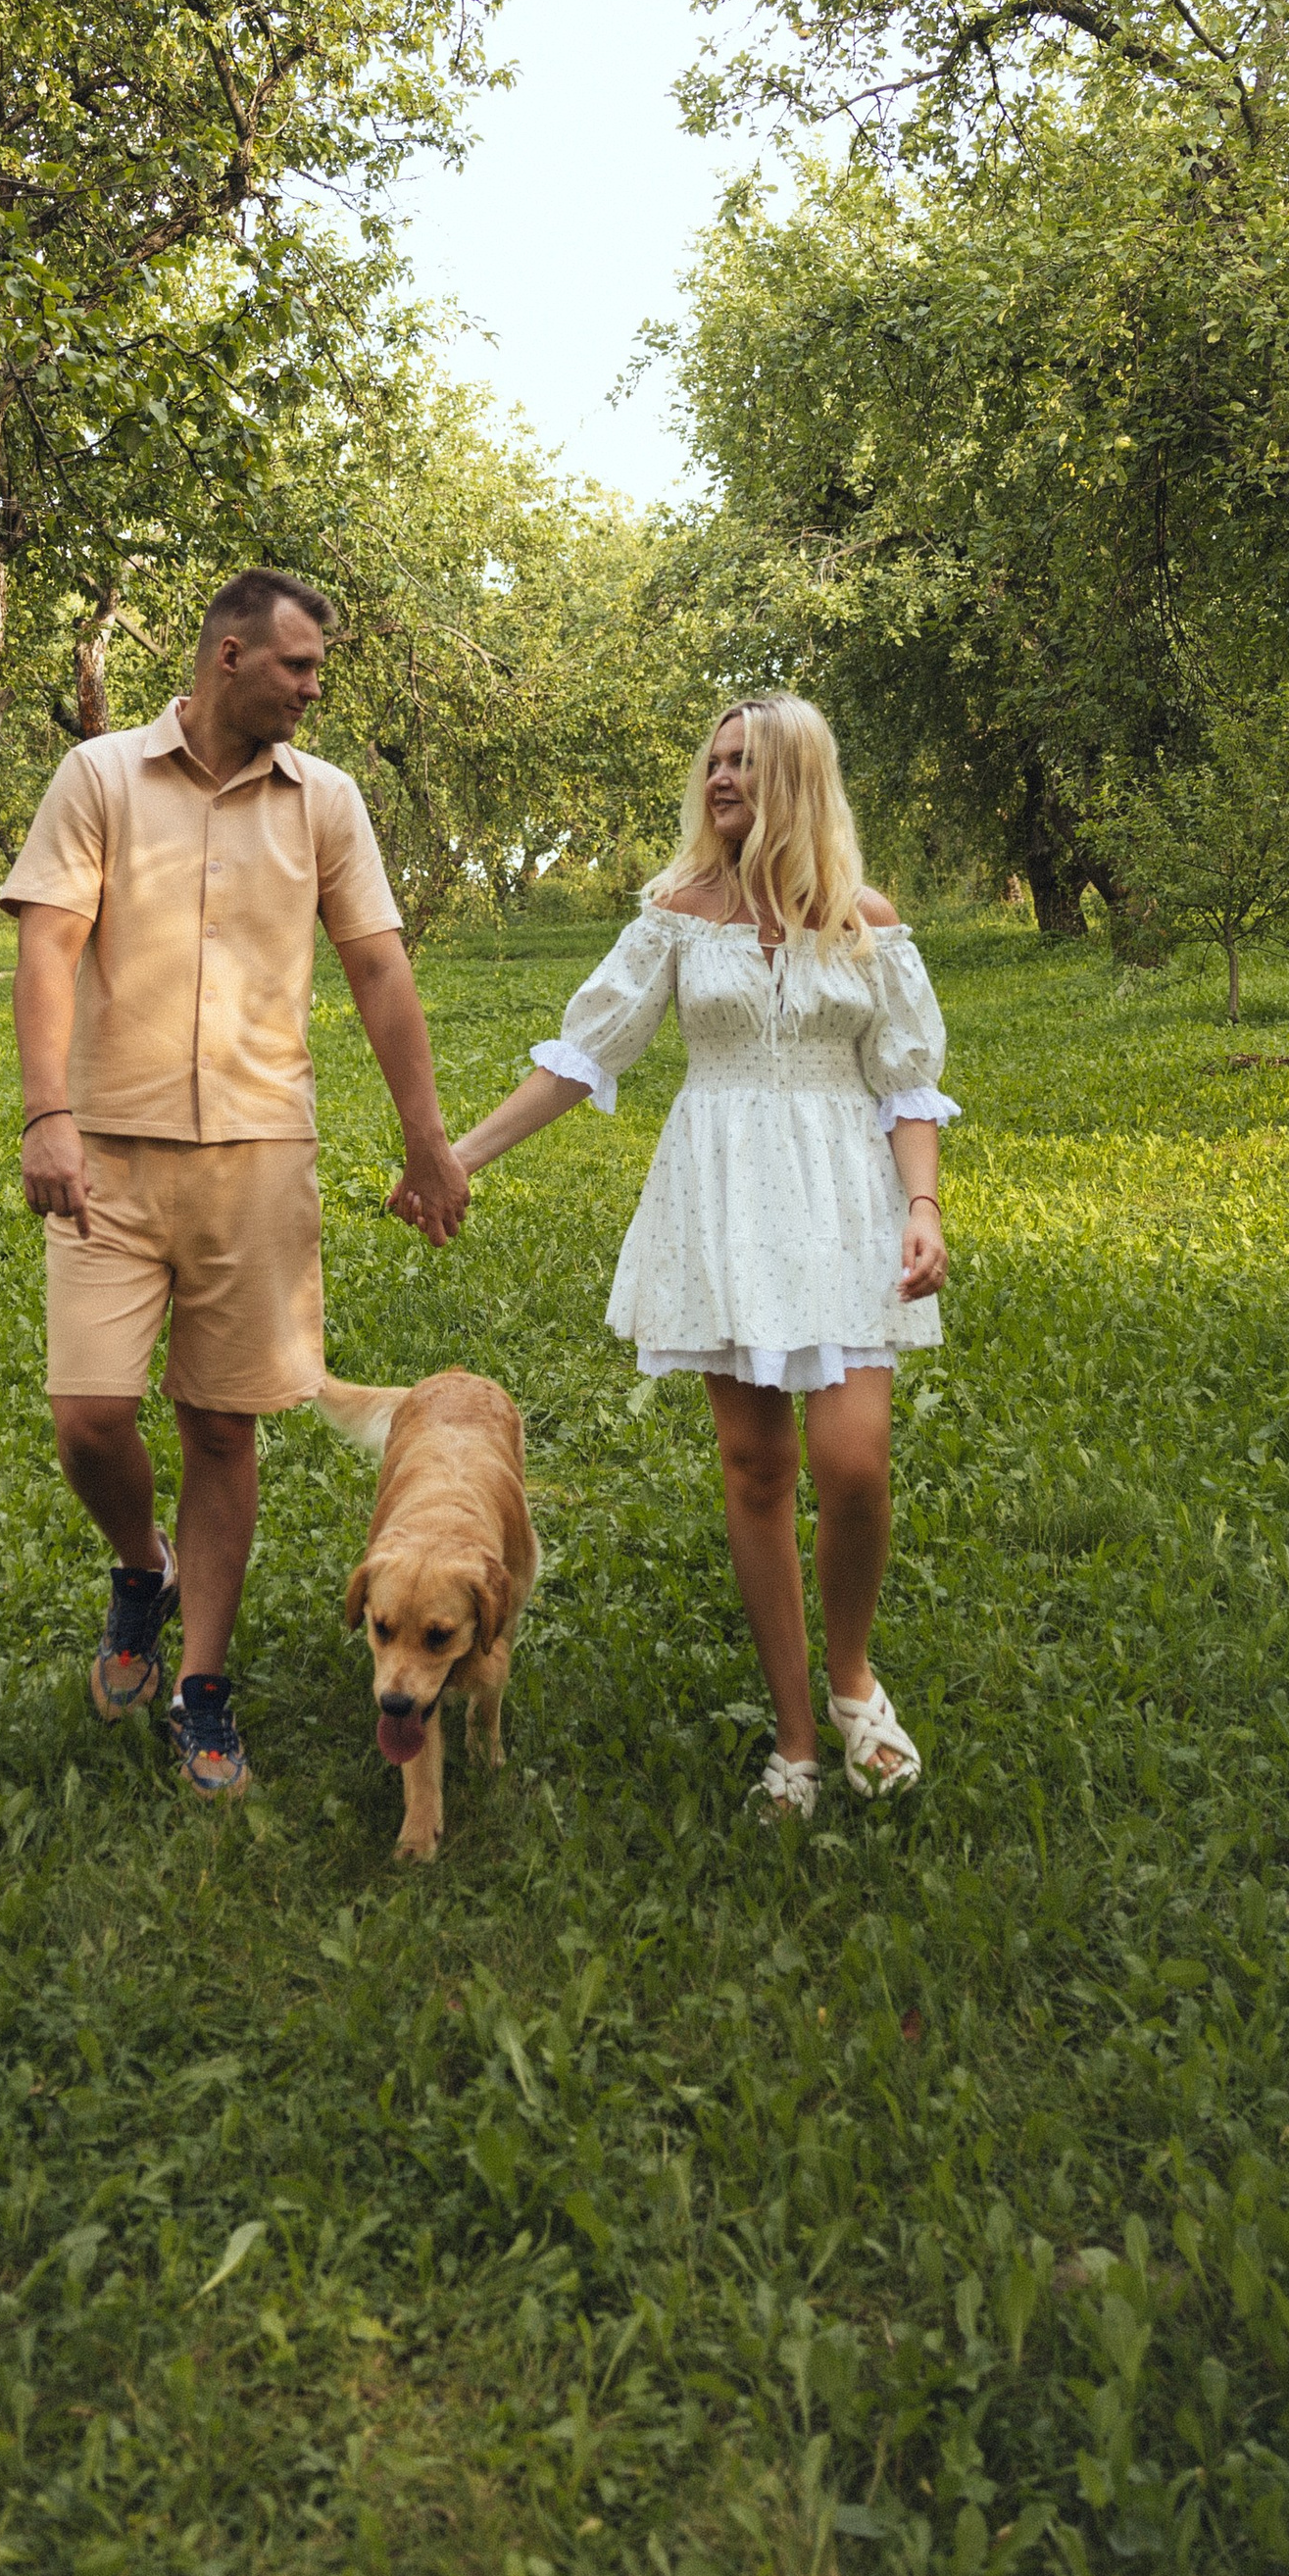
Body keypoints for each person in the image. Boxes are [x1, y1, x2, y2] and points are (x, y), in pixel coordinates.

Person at [4, 570, 470, 1800]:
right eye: (300, 667)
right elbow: (46, 943)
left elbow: (376, 967)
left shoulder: (327, 801)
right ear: (226, 656)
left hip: (261, 1154)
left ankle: (201, 1686)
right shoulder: (99, 777)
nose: (316, 690)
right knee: (88, 1415)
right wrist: (46, 1113)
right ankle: (139, 1566)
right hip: (106, 1150)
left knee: (221, 1423)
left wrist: (427, 1141)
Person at [452, 694, 954, 1823]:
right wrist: (461, 1156)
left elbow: (905, 1082)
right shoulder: (675, 916)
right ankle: (793, 1738)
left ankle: (853, 1680)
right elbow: (585, 1056)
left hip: (839, 1199)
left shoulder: (864, 921)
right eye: (714, 760)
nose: (721, 777)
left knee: (855, 1464)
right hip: (721, 1197)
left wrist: (921, 1206)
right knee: (757, 1468)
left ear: (795, 779)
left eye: (745, 761)